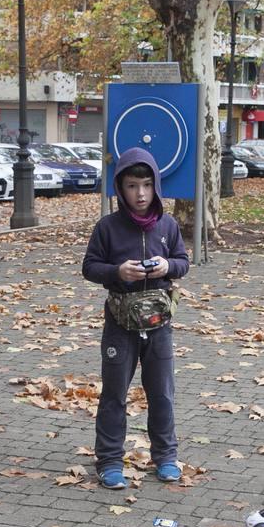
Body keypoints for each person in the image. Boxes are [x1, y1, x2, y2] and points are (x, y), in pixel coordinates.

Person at [82, 147, 190, 489]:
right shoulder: (107, 228)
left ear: (156, 185)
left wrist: (167, 266)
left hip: (159, 326)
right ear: (120, 188)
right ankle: (110, 461)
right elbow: (90, 267)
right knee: (114, 393)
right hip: (120, 324)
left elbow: (183, 262)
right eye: (131, 185)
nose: (140, 194)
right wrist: (117, 271)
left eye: (146, 185)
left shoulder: (168, 225)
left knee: (162, 393)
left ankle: (166, 458)